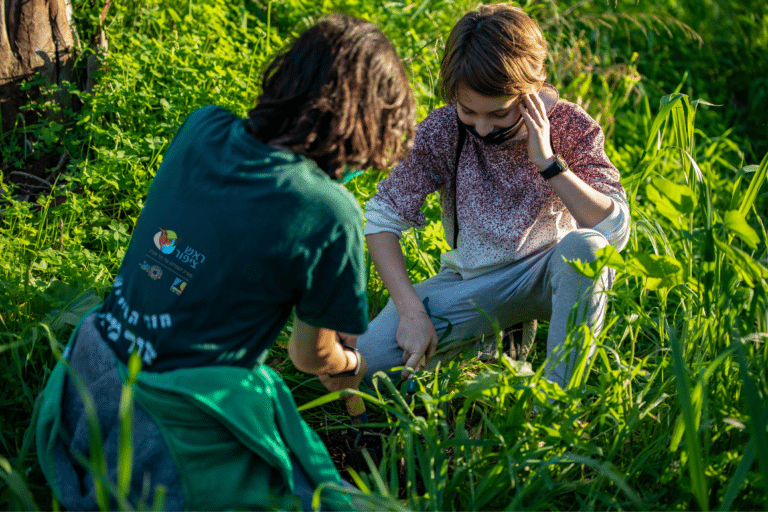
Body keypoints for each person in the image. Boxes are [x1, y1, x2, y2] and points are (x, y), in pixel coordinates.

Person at [33, 14, 415, 511]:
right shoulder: (329, 209)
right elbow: (309, 356)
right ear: (368, 126)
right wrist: (352, 365)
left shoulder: (203, 126)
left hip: (89, 374)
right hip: (172, 421)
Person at [356, 3, 630, 395]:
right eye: (469, 110)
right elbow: (382, 220)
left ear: (532, 90)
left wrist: (550, 164)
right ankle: (487, 340)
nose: (482, 128)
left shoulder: (570, 124)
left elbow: (613, 232)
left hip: (548, 277)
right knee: (368, 368)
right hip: (470, 283)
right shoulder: (444, 128)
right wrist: (412, 312)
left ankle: (554, 403)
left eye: (499, 114)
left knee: (587, 248)